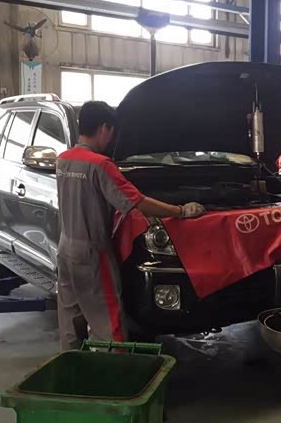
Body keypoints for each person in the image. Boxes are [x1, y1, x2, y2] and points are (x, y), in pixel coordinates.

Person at [56, 101, 205, 349]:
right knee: (109, 323)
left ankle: (70, 366)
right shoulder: (101, 165)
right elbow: (138, 202)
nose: (111, 140)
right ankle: (116, 370)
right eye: (111, 132)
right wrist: (180, 211)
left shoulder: (63, 160)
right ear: (103, 128)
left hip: (65, 248)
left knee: (70, 318)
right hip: (93, 253)